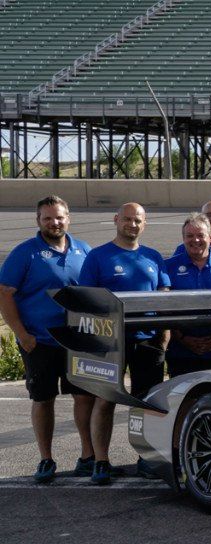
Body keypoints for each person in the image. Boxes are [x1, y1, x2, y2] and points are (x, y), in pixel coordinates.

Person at [0, 196, 95, 483]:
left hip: (77, 341)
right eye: (48, 218)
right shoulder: (25, 253)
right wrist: (23, 335)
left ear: (69, 218)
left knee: (84, 397)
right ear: (38, 221)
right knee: (43, 399)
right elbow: (5, 293)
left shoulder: (84, 251)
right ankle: (46, 458)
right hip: (39, 341)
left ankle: (88, 456)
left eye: (59, 217)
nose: (54, 223)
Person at [78, 203, 170, 485]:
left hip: (147, 341)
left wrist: (163, 335)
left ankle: (146, 459)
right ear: (116, 220)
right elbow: (85, 299)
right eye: (127, 219)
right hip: (109, 341)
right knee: (104, 400)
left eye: (137, 220)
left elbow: (164, 293)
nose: (132, 224)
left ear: (145, 224)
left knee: (147, 404)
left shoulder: (153, 256)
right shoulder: (98, 257)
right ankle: (101, 461)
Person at [164, 214, 211, 378]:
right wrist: (183, 338)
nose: (196, 240)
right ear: (183, 238)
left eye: (200, 235)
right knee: (182, 399)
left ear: (210, 237)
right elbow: (163, 308)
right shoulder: (168, 267)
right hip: (181, 352)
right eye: (190, 236)